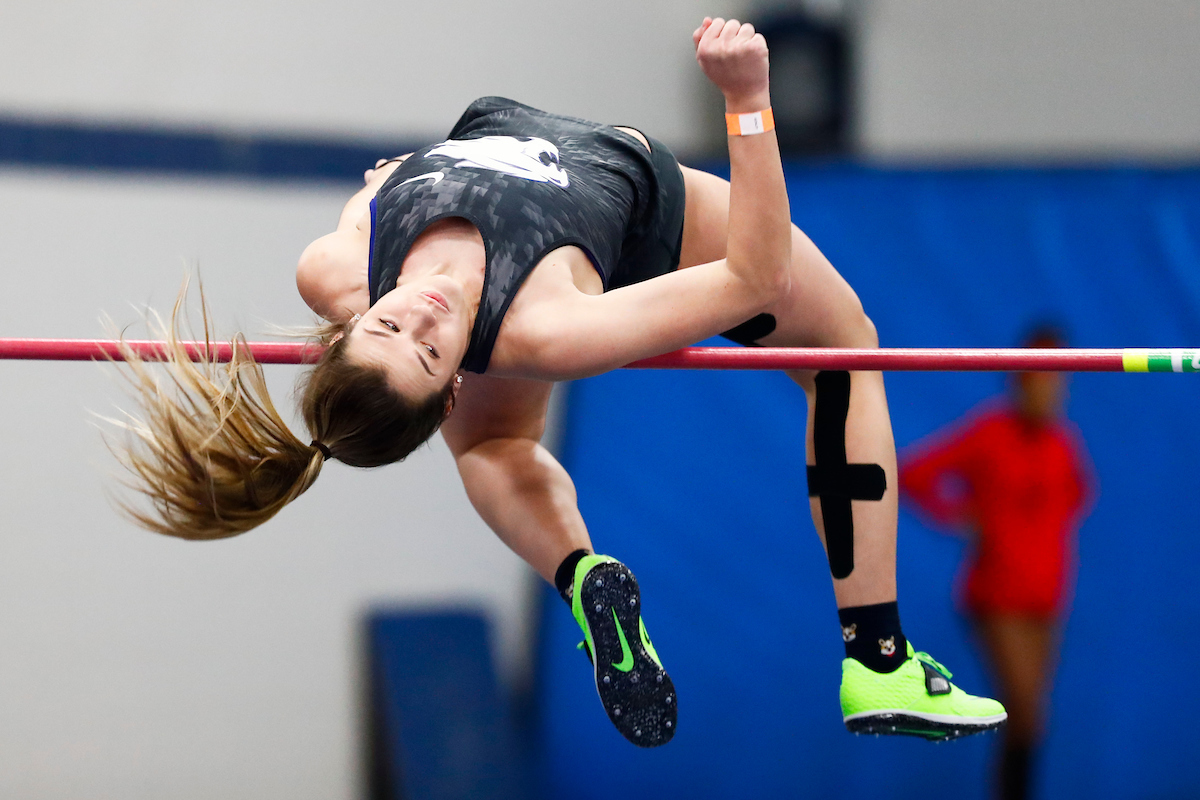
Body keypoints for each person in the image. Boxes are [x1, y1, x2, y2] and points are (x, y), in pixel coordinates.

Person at [112, 17, 1004, 748]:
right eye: (429, 352)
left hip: (507, 139)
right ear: (454, 381)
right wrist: (748, 104)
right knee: (846, 349)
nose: (418, 314)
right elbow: (754, 277)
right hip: (654, 205)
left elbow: (368, 206)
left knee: (498, 446)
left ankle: (580, 575)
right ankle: (878, 657)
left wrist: (376, 197)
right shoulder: (548, 327)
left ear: (355, 318)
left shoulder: (333, 270)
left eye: (389, 326)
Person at [899, 326, 1093, 799]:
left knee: (1032, 721)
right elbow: (914, 472)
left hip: (1046, 600)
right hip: (997, 599)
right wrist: (962, 517)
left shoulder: (1064, 444)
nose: (1050, 389)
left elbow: (1077, 497)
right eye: (1040, 378)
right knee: (1023, 711)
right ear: (1019, 379)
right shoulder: (990, 434)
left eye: (1060, 380)